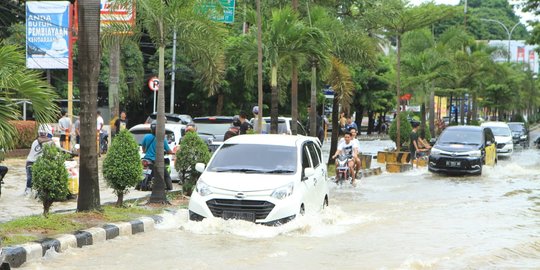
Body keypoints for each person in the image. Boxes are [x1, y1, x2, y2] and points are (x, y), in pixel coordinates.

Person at [141, 121, 173, 190]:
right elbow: (168, 150)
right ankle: (169, 187)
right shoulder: (162, 139)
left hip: (146, 159)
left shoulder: (146, 136)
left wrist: (145, 151)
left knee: (142, 171)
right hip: (156, 160)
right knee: (166, 175)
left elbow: (143, 148)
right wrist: (173, 153)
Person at [25, 127, 55, 195]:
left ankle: (30, 193)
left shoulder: (45, 142)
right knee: (30, 180)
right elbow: (40, 141)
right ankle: (28, 192)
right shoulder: (40, 141)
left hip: (35, 163)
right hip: (31, 163)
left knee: (33, 182)